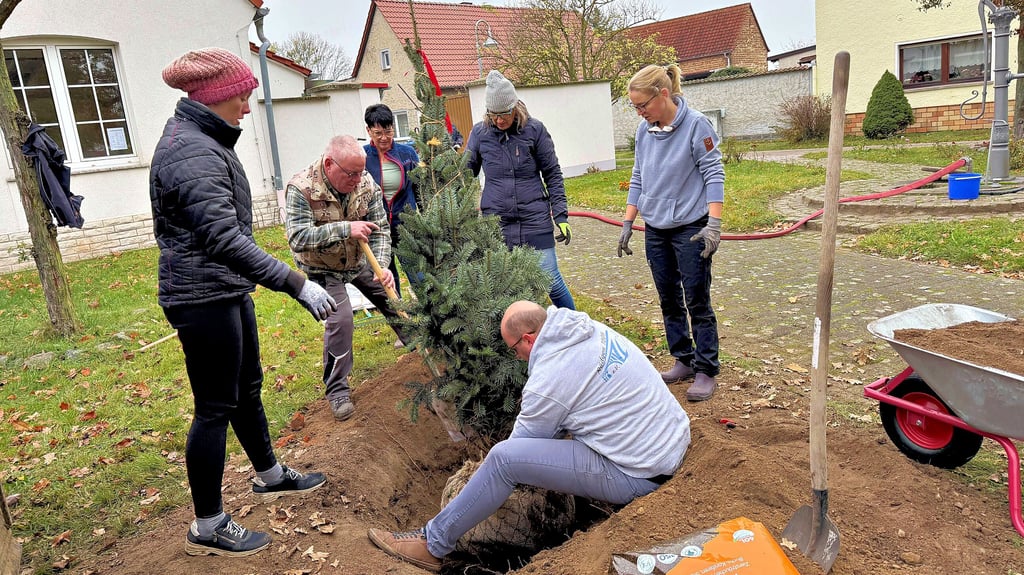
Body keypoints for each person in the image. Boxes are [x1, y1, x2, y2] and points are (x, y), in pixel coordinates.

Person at [151, 47, 333, 557]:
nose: (247, 108)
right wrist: (296, 283)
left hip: (224, 288)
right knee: (214, 408)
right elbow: (223, 237)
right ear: (213, 98)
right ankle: (207, 524)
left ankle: (268, 474)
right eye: (241, 97)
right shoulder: (190, 151)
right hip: (200, 296)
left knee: (246, 388)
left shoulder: (205, 139)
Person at [367, 300, 691, 572]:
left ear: (528, 339)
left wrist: (477, 478)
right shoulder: (584, 329)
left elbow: (519, 449)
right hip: (672, 441)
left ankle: (431, 543)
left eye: (514, 349)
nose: (517, 358)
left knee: (503, 460)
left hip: (639, 474)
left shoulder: (549, 379)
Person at [617, 64, 725, 402]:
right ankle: (683, 359)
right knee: (668, 298)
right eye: (634, 107)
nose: (639, 112)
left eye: (642, 105)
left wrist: (714, 224)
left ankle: (706, 368)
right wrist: (627, 221)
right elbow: (638, 177)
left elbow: (714, 174)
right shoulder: (644, 131)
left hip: (691, 227)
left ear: (663, 94)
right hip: (656, 229)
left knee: (696, 298)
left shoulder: (696, 126)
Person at [285, 135, 398, 422]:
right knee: (342, 319)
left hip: (360, 261)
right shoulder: (301, 188)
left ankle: (421, 353)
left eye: (361, 172)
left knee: (393, 301)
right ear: (328, 164)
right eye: (351, 173)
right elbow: (298, 238)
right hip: (321, 267)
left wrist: (381, 266)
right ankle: (337, 390)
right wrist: (345, 229)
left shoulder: (365, 182)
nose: (358, 179)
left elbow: (381, 228)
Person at [466, 70, 575, 310]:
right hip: (496, 221)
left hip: (533, 217)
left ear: (515, 107)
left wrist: (561, 215)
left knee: (551, 281)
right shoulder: (480, 133)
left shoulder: (534, 130)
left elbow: (553, 174)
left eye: (504, 113)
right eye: (493, 115)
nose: (499, 120)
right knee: (505, 284)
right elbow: (465, 174)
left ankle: (578, 327)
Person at [363, 103, 422, 303]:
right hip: (377, 230)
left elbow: (419, 190)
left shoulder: (407, 154)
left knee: (419, 276)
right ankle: (403, 326)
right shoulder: (362, 158)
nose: (384, 138)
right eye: (378, 133)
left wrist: (424, 221)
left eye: (388, 131)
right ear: (368, 131)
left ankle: (431, 322)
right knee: (388, 279)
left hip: (406, 226)